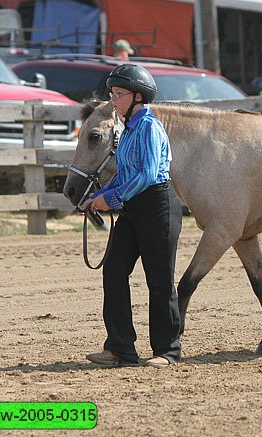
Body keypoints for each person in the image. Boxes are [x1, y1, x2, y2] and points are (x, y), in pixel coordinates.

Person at [81, 63, 183, 368]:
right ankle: (120, 347)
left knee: (160, 280)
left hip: (157, 207)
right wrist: (98, 197)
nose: (114, 99)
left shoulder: (150, 128)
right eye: (113, 93)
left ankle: (167, 351)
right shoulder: (127, 130)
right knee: (113, 269)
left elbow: (148, 175)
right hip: (134, 208)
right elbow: (125, 174)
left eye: (119, 93)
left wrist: (109, 198)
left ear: (138, 97)